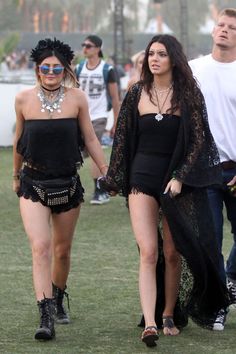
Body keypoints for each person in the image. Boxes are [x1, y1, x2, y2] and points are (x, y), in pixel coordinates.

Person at [99, 34, 229, 347]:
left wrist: (181, 176)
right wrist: (115, 178)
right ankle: (151, 322)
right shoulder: (136, 93)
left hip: (174, 182)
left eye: (161, 54)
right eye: (151, 54)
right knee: (148, 251)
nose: (154, 59)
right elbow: (124, 140)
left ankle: (170, 313)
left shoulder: (188, 95)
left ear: (173, 59)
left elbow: (199, 142)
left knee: (173, 253)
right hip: (141, 178)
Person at [12, 38, 109, 341]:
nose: (51, 72)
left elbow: (91, 139)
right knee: (40, 247)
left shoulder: (77, 98)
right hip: (33, 182)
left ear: (65, 69)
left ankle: (58, 296)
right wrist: (15, 175)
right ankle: (46, 315)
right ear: (37, 69)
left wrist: (106, 173)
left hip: (67, 182)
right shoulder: (23, 99)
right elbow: (19, 141)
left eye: (56, 68)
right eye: (45, 67)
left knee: (61, 251)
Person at [189, 7, 236, 330]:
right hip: (202, 170)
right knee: (209, 241)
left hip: (235, 168)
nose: (224, 30)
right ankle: (217, 304)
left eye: (232, 27)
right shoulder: (192, 70)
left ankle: (231, 278)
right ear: (212, 30)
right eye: (221, 25)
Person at [75, 34, 120, 205]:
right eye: (84, 45)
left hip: (99, 116)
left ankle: (99, 191)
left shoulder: (107, 69)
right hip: (81, 116)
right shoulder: (79, 68)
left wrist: (115, 121)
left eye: (89, 46)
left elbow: (115, 98)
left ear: (98, 49)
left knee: (95, 152)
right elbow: (75, 91)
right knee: (79, 153)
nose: (85, 48)